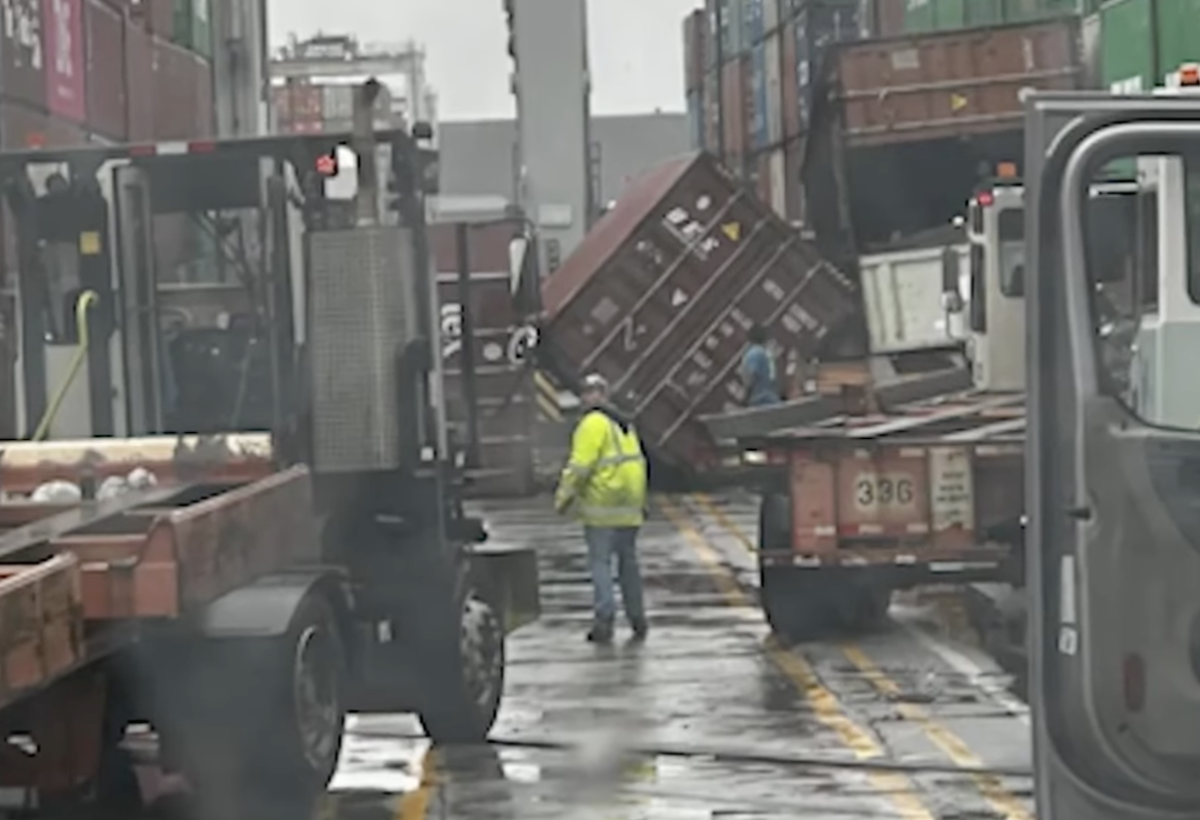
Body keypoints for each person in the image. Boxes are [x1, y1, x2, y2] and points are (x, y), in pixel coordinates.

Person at [554, 373, 649, 644]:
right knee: (629, 565)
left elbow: (579, 468)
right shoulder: (625, 423)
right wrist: (642, 503)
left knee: (601, 564)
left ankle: (604, 621)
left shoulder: (591, 424)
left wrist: (563, 499)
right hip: (630, 507)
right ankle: (638, 619)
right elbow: (637, 464)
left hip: (602, 506)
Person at [740, 324, 781, 406]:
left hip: (758, 401)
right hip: (773, 400)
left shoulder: (753, 353)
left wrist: (745, 398)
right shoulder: (769, 354)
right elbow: (773, 379)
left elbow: (752, 377)